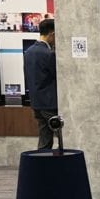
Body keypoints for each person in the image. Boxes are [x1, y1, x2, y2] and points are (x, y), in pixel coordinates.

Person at [23, 18, 57, 149]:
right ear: (52, 34)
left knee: (44, 137)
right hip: (50, 103)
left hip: (36, 103)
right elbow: (58, 77)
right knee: (64, 135)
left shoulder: (29, 52)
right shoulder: (48, 54)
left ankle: (42, 160)